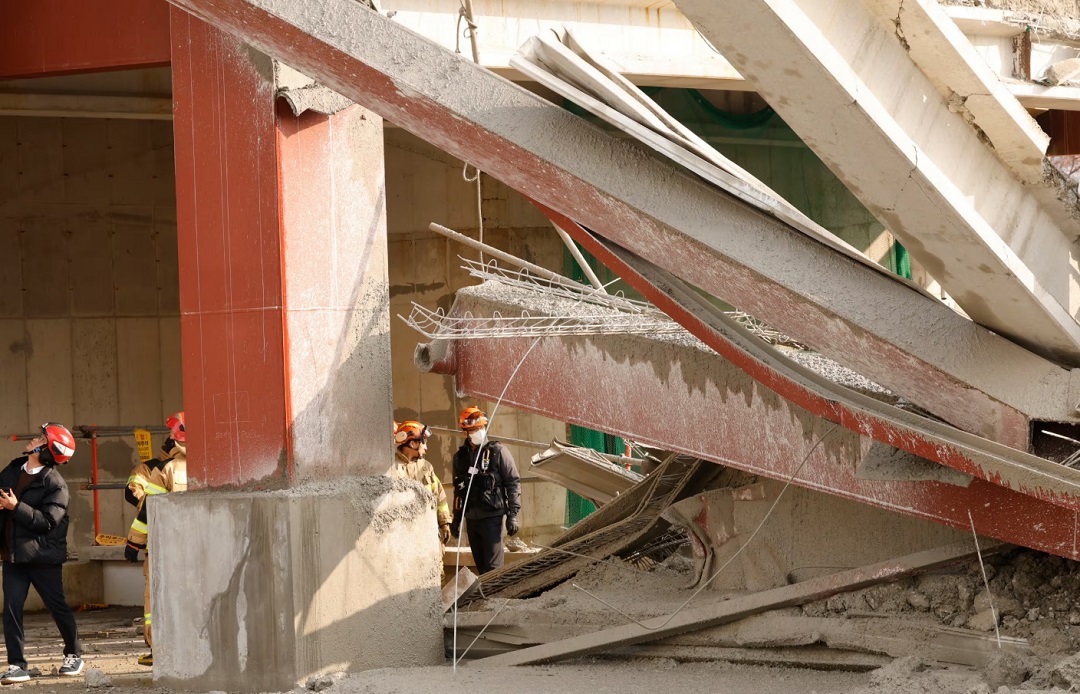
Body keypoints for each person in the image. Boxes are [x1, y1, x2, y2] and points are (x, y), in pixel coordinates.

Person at [0, 423, 83, 684]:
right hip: (13, 556)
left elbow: (47, 521)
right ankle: (17, 665)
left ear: (45, 450)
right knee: (11, 609)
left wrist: (16, 507)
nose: (33, 439)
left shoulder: (55, 484)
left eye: (40, 438)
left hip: (42, 558)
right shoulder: (14, 469)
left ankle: (74, 653)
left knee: (57, 607)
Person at [124, 412, 187, 668]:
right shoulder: (211, 464)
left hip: (163, 547)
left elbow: (147, 507)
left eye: (172, 433)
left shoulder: (163, 468)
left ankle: (158, 647)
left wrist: (133, 543)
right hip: (197, 547)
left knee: (156, 598)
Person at [450, 407, 521, 575]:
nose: (478, 432)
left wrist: (513, 514)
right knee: (481, 565)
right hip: (471, 518)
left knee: (493, 567)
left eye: (480, 428)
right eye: (473, 430)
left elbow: (513, 482)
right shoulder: (460, 458)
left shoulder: (498, 452)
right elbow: (458, 491)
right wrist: (457, 518)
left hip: (492, 518)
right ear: (465, 432)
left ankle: (496, 598)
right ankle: (487, 599)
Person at [391, 421, 453, 545]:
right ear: (412, 443)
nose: (425, 448)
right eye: (423, 443)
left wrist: (444, 522)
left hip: (426, 531)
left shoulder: (426, 467)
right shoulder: (391, 467)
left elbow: (439, 496)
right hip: (402, 534)